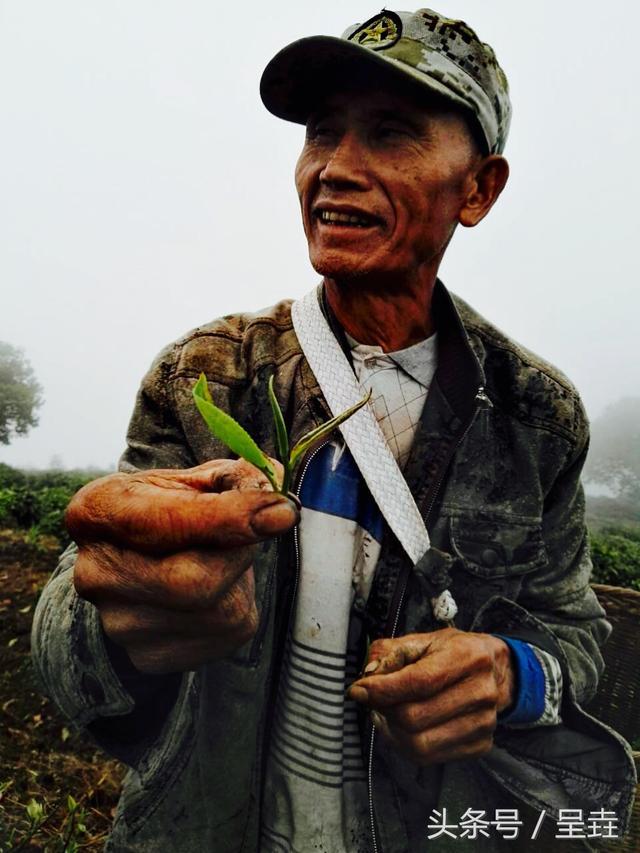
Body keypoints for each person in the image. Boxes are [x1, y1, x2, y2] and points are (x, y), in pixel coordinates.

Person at [32, 8, 635, 852]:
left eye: (391, 134)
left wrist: (511, 672)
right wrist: (116, 616)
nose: (335, 169)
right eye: (322, 133)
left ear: (479, 189)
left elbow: (573, 632)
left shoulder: (536, 414)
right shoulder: (206, 375)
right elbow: (66, 635)